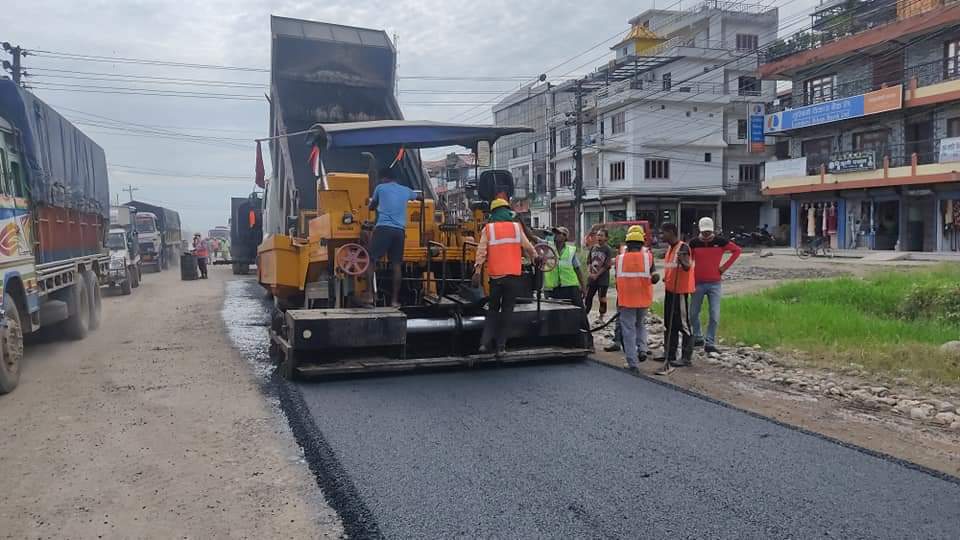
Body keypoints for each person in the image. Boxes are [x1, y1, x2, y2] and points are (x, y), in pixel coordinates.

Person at [473, 198, 539, 355]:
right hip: (513, 277)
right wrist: (536, 257)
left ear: (493, 213)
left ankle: (484, 343)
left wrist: (477, 271)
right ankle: (501, 347)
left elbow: (481, 251)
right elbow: (528, 247)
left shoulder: (488, 229)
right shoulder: (516, 228)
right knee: (507, 311)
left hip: (496, 278)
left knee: (493, 310)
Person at [365, 167, 418, 307]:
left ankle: (370, 295)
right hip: (399, 231)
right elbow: (418, 196)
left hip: (383, 228)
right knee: (396, 265)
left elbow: (372, 206)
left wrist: (371, 206)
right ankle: (394, 301)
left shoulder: (380, 188)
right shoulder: (406, 190)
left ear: (384, 178)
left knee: (370, 260)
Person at [688, 217, 742, 354]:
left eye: (708, 232)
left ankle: (710, 342)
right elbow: (688, 259)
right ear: (700, 230)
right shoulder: (693, 243)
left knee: (714, 314)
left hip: (714, 283)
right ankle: (698, 336)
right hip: (697, 282)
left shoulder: (720, 241)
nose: (706, 235)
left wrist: (724, 267)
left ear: (712, 230)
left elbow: (737, 251)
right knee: (693, 313)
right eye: (704, 232)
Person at [615, 227, 659, 375]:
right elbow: (654, 276)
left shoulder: (620, 259)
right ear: (642, 243)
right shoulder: (648, 257)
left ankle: (632, 362)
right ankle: (642, 349)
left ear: (627, 242)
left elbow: (617, 280)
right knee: (640, 325)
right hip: (643, 298)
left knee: (628, 331)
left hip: (626, 300)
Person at [656, 222, 695, 375]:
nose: (661, 236)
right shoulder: (670, 248)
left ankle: (686, 357)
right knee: (669, 324)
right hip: (670, 291)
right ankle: (669, 354)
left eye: (663, 233)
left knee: (684, 325)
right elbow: (671, 268)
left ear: (671, 232)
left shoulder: (683, 247)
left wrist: (683, 260)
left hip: (680, 292)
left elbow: (686, 266)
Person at [604, 225, 642, 353]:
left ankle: (630, 346)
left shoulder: (641, 253)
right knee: (632, 322)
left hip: (626, 291)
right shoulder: (645, 253)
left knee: (627, 322)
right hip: (635, 292)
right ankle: (629, 344)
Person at [584, 228, 613, 323]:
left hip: (603, 278)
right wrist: (590, 272)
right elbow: (588, 261)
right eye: (598, 235)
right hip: (592, 277)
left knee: (602, 297)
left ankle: (601, 316)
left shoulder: (607, 249)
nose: (599, 237)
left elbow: (607, 265)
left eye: (601, 235)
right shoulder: (593, 248)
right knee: (588, 296)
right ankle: (585, 315)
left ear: (606, 238)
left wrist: (597, 274)